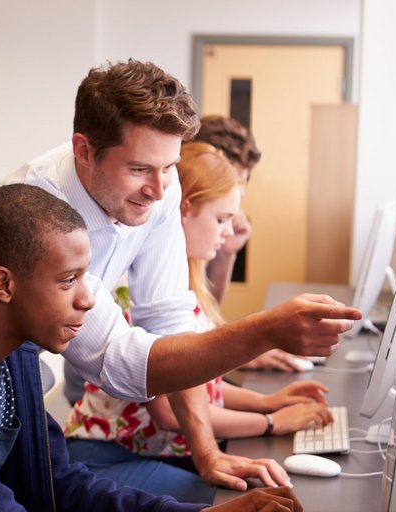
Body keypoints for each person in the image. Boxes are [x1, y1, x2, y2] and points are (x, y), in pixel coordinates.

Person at [0, 59, 361, 490]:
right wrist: (265, 331)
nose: (160, 190)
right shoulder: (42, 209)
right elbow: (124, 366)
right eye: (139, 168)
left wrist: (206, 454)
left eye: (169, 167)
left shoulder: (158, 183)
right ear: (84, 150)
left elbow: (170, 322)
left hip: (14, 369)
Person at [0, 183, 304, 512]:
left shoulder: (12, 357)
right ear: (3, 284)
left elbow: (59, 485)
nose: (87, 298)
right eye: (68, 280)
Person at [64, 142, 333, 503]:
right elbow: (168, 413)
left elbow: (203, 388)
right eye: (221, 219)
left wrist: (267, 402)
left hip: (148, 451)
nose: (226, 235)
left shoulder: (185, 290)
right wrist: (272, 422)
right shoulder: (135, 295)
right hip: (103, 460)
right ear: (184, 210)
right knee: (237, 498)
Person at [192, 115, 304, 373]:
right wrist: (240, 355)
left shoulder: (211, 228)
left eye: (243, 182)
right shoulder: (187, 226)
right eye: (232, 180)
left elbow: (205, 314)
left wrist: (227, 252)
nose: (238, 193)